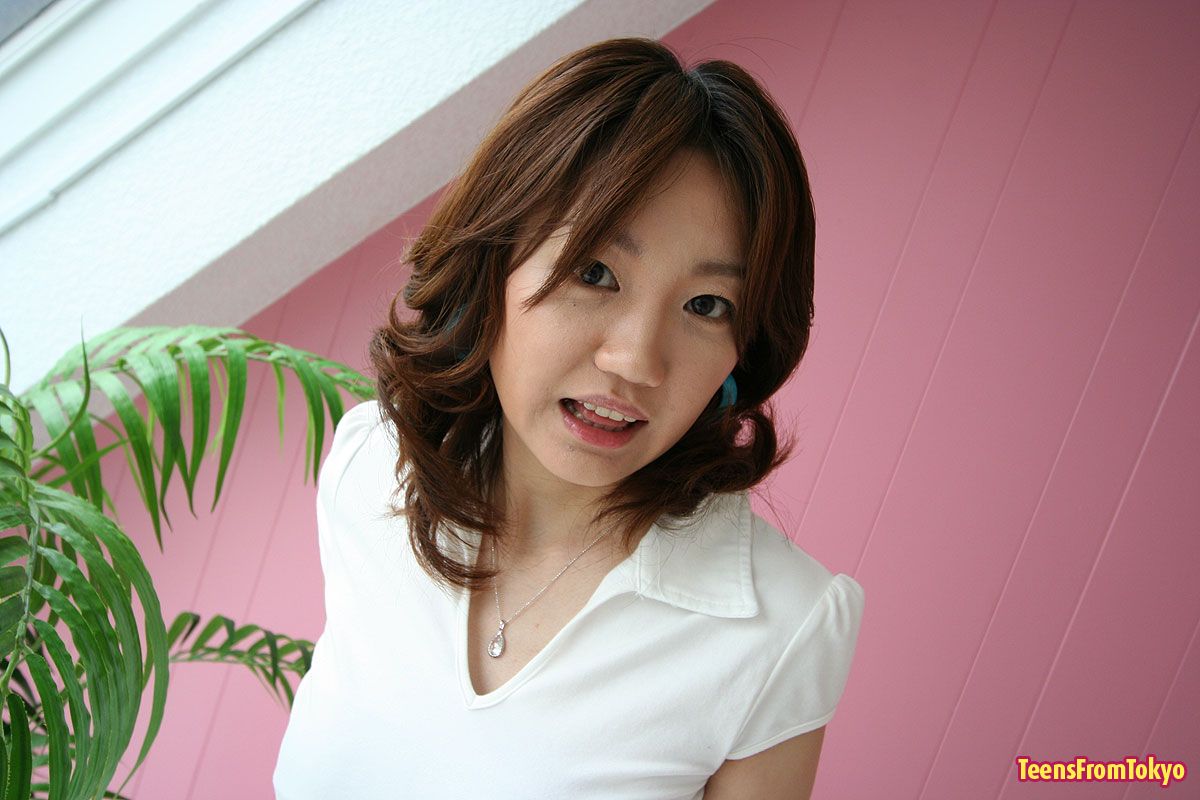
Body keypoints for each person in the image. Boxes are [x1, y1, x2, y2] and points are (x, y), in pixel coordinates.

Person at [273, 36, 864, 799]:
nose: (637, 361)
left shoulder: (780, 626)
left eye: (706, 305)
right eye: (596, 272)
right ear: (494, 259)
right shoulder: (371, 468)